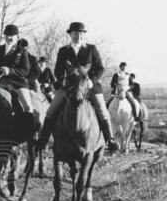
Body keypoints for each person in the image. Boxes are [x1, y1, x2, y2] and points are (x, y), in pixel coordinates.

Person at [42, 21, 118, 152]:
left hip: (89, 85)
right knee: (51, 109)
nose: (78, 36)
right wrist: (62, 81)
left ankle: (109, 139)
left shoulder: (91, 49)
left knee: (102, 110)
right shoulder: (63, 50)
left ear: (84, 35)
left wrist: (92, 81)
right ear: (70, 35)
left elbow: (100, 68)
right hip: (69, 86)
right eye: (75, 34)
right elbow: (58, 71)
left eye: (81, 34)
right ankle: (43, 140)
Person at [0, 25, 40, 134]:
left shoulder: (22, 51)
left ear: (17, 37)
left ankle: (30, 133)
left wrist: (10, 71)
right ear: (4, 36)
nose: (9, 38)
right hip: (0, 82)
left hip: (18, 83)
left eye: (12, 36)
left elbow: (26, 70)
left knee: (28, 106)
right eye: (7, 35)